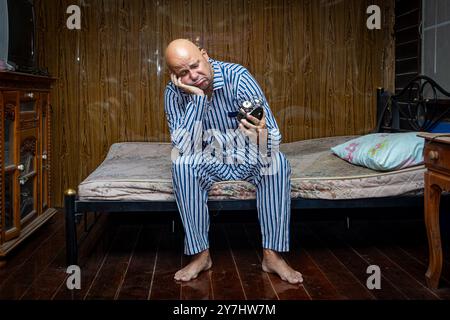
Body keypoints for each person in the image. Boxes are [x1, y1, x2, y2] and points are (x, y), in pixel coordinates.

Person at [164, 39, 303, 284]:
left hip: (247, 154)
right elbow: (184, 148)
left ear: (205, 55)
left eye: (195, 66)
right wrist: (197, 98)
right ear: (174, 77)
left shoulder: (237, 77)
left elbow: (273, 138)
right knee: (181, 164)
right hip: (206, 158)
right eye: (183, 73)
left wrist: (260, 133)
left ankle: (272, 256)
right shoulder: (173, 93)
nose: (193, 76)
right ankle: (201, 255)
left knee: (277, 162)